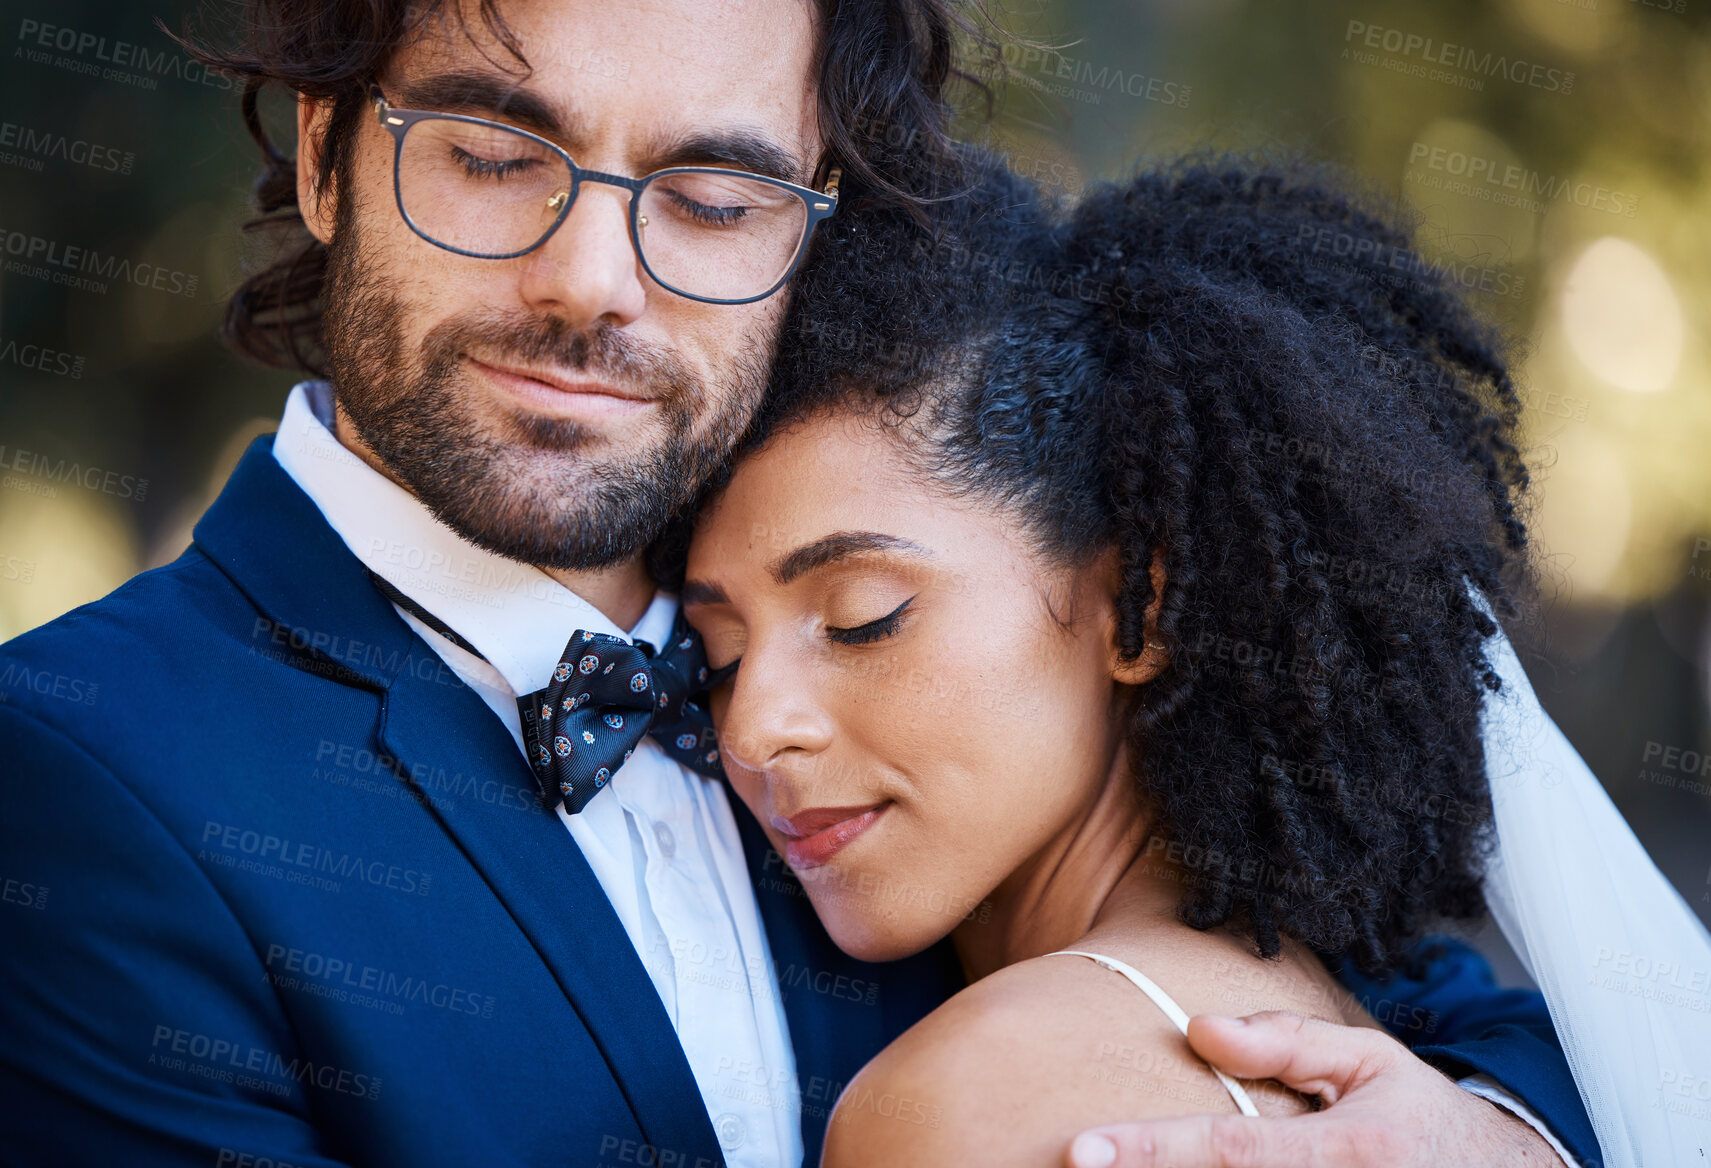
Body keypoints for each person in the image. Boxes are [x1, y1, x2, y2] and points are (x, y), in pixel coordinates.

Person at [0, 0, 1603, 1164]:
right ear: (332, 152)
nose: (592, 280)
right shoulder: (75, 769)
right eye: (493, 153)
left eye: (710, 199)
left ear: (808, 226)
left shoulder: (937, 762)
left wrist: (1507, 1140)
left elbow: (1396, 988)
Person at [680, 154, 1703, 1167]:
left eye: (864, 619)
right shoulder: (1334, 1010)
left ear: (1140, 613)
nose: (752, 727)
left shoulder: (963, 1106)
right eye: (718, 655)